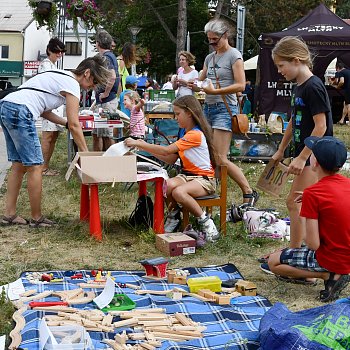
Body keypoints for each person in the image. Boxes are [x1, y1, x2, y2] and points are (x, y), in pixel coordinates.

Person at [0, 55, 110, 228]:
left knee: (18, 164)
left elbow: (44, 110)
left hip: (7, 105)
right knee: (36, 166)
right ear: (87, 73)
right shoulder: (72, 84)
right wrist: (86, 154)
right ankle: (36, 218)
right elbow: (75, 124)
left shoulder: (59, 74)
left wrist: (64, 122)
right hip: (21, 110)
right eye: (94, 82)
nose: (92, 87)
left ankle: (9, 215)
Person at [125, 95, 219, 241]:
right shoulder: (184, 132)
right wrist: (148, 151)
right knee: (166, 186)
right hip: (187, 176)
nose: (175, 118)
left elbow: (166, 151)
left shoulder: (194, 134)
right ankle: (174, 216)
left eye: (178, 114)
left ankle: (206, 221)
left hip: (204, 179)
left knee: (179, 193)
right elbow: (171, 158)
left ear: (189, 113)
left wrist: (140, 144)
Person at [268, 36, 333, 250]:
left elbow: (321, 127)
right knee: (302, 204)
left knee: (296, 203)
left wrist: (303, 157)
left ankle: (297, 254)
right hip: (305, 154)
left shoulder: (313, 86)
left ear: (296, 60)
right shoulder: (298, 86)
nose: (279, 71)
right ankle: (301, 251)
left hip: (315, 156)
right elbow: (292, 123)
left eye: (281, 65)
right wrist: (281, 150)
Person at [268, 136, 350, 302]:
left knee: (273, 261)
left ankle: (326, 274)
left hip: (332, 259)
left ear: (315, 162)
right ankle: (334, 273)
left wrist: (304, 211)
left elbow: (313, 244)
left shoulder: (313, 194)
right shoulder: (346, 184)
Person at [192, 18, 258, 205]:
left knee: (221, 158)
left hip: (224, 109)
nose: (212, 43)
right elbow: (201, 81)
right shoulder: (209, 58)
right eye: (209, 40)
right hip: (208, 109)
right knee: (211, 156)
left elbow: (240, 85)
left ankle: (248, 191)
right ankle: (216, 194)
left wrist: (214, 91)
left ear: (225, 35)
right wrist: (193, 84)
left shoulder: (234, 55)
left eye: (215, 39)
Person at [38, 37, 66, 176]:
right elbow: (48, 84)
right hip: (49, 106)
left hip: (55, 107)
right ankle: (42, 167)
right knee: (47, 137)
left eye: (62, 51)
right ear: (49, 50)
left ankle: (45, 166)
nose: (60, 54)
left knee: (53, 137)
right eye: (57, 51)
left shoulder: (53, 65)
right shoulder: (45, 65)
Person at [92, 30, 120, 152]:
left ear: (98, 43)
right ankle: (102, 160)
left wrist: (106, 93)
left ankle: (109, 161)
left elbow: (112, 76)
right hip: (105, 100)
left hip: (107, 101)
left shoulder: (106, 57)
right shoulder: (111, 56)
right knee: (100, 134)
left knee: (104, 135)